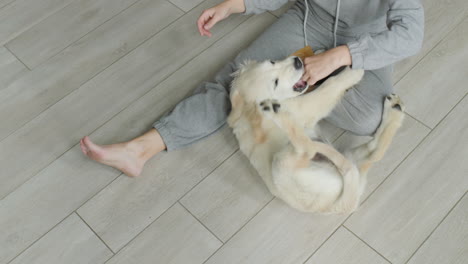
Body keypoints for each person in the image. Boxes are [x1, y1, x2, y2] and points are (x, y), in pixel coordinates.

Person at [80, 0, 424, 177]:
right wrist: (234, 4)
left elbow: (411, 34)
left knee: (367, 119)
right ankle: (141, 149)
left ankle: (288, 88)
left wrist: (340, 57)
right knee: (238, 81)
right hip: (311, 20)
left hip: (365, 40)